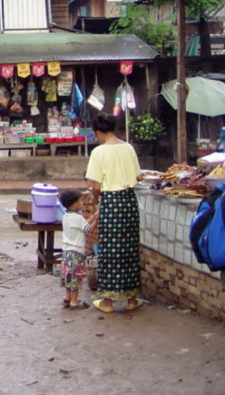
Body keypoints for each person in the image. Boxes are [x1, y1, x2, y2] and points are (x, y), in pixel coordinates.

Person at [84, 112, 143, 314]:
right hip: (129, 202)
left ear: (99, 132)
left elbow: (96, 185)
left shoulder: (99, 152)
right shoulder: (128, 148)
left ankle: (108, 301)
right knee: (129, 249)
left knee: (110, 250)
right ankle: (131, 299)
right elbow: (138, 176)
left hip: (111, 202)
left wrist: (95, 199)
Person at [59, 188, 98, 310]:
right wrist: (97, 219)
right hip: (76, 253)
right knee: (75, 278)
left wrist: (93, 216)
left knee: (68, 277)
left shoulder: (67, 216)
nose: (82, 203)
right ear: (75, 204)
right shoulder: (77, 218)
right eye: (80, 201)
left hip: (66, 252)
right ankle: (74, 302)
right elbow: (88, 229)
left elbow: (84, 224)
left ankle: (66, 298)